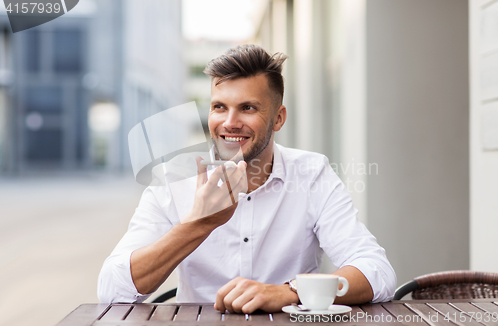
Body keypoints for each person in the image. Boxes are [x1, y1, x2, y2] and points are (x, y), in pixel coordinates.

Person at [98, 44, 396, 313]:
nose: (229, 123)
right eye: (219, 107)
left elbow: (377, 272)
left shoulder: (312, 173)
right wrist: (199, 224)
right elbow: (112, 292)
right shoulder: (172, 179)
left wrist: (288, 293)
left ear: (278, 118)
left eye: (248, 108)